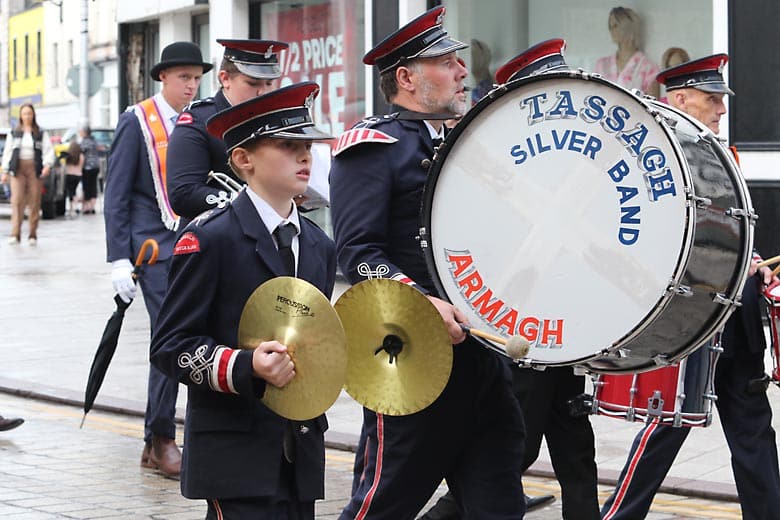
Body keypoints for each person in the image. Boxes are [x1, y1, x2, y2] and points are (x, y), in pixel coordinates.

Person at [330, 7, 527, 518]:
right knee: (383, 504)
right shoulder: (374, 147)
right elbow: (358, 255)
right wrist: (423, 304)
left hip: (485, 360)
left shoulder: (476, 141)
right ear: (407, 78)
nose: (463, 70)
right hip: (413, 363)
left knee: (498, 504)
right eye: (447, 61)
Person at [421, 39, 599, 520]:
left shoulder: (574, 155)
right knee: (515, 452)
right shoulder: (497, 154)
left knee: (577, 452)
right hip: (517, 321)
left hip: (559, 320)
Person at [600, 54, 780, 520]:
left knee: (753, 423)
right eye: (711, 98)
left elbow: (730, 233)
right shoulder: (651, 160)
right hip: (691, 310)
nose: (721, 108)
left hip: (736, 307)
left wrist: (753, 262)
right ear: (679, 99)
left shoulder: (724, 154)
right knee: (667, 423)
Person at [150, 82, 335, 519]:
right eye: (288, 145)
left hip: (299, 450)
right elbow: (170, 346)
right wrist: (245, 365)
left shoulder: (318, 245)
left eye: (307, 145)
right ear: (242, 159)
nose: (305, 156)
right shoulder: (210, 238)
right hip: (234, 451)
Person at [104, 41, 212, 479]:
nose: (191, 85)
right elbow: (117, 193)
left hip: (195, 244)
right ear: (163, 78)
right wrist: (117, 258)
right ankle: (161, 436)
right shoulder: (139, 122)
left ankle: (167, 437)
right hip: (152, 248)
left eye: (196, 77)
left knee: (196, 333)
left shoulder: (200, 120)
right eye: (184, 77)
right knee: (172, 335)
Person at [167, 39, 288, 226]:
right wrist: (253, 202)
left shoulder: (276, 120)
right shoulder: (198, 121)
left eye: (269, 83)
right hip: (215, 239)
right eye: (253, 83)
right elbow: (183, 194)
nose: (263, 92)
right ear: (225, 79)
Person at [0, 103, 55, 245]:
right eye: (24, 113)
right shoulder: (14, 132)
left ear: (33, 115)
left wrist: (47, 165)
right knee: (17, 201)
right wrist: (5, 170)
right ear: (20, 116)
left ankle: (32, 234)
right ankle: (15, 233)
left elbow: (49, 150)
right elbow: (7, 152)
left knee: (34, 201)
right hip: (17, 169)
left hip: (34, 169)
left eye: (29, 113)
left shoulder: (40, 133)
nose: (27, 116)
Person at [594, 6, 660, 97]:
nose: (612, 30)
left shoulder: (649, 68)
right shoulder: (602, 65)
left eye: (615, 25)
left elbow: (653, 107)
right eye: (610, 26)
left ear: (628, 26)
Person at [79, 126, 101, 214]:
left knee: (87, 186)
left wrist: (79, 168)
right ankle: (92, 206)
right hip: (96, 166)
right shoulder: (94, 141)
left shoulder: (84, 142)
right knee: (93, 186)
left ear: (84, 132)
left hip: (87, 167)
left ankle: (87, 207)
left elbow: (82, 155)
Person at [63, 138, 83, 216]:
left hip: (69, 174)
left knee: (70, 191)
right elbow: (82, 166)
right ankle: (74, 207)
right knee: (74, 191)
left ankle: (71, 207)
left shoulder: (68, 156)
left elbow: (66, 165)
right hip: (78, 175)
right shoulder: (81, 156)